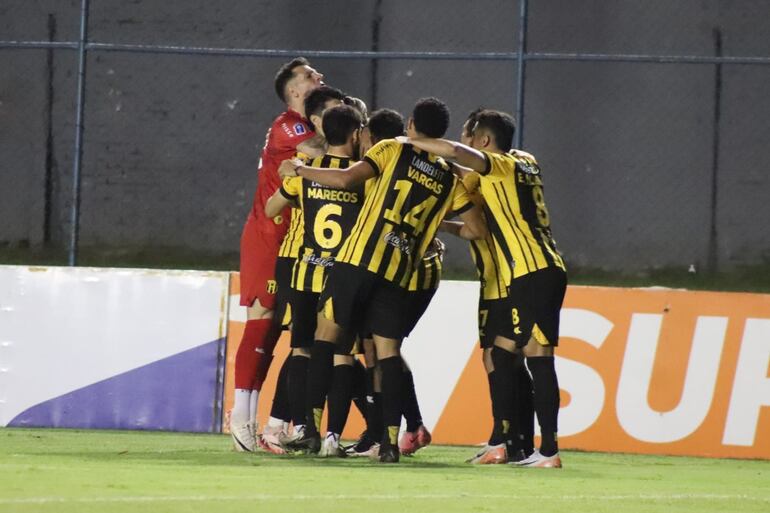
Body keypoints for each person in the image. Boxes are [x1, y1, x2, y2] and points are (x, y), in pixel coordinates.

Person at [279, 97, 488, 463]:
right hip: (397, 274)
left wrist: (301, 170)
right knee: (387, 354)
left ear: (411, 124)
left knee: (325, 339)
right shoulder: (449, 178)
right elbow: (476, 230)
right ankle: (389, 443)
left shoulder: (392, 148)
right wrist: (436, 225)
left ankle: (311, 431)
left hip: (358, 260)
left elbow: (346, 178)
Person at [402, 109, 567, 468]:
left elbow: (458, 155)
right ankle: (509, 442)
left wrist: (411, 142)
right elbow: (464, 169)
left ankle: (549, 451)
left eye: (471, 137)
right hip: (534, 270)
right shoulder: (525, 161)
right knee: (502, 354)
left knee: (539, 358)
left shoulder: (499, 165)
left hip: (532, 270)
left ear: (485, 142)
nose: (465, 143)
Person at [230, 57, 324, 452]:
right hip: (269, 233)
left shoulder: (305, 124)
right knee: (261, 321)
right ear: (295, 90)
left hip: (294, 238)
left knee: (276, 331)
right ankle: (241, 419)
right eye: (310, 75)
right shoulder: (290, 124)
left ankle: (262, 424)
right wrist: (343, 128)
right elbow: (317, 148)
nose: (318, 77)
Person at [266, 104, 368, 457]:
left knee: (301, 350)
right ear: (355, 134)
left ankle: (304, 429)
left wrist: (301, 195)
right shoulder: (363, 176)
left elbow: (271, 209)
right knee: (342, 356)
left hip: (306, 271)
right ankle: (332, 439)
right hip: (343, 276)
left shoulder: (307, 170)